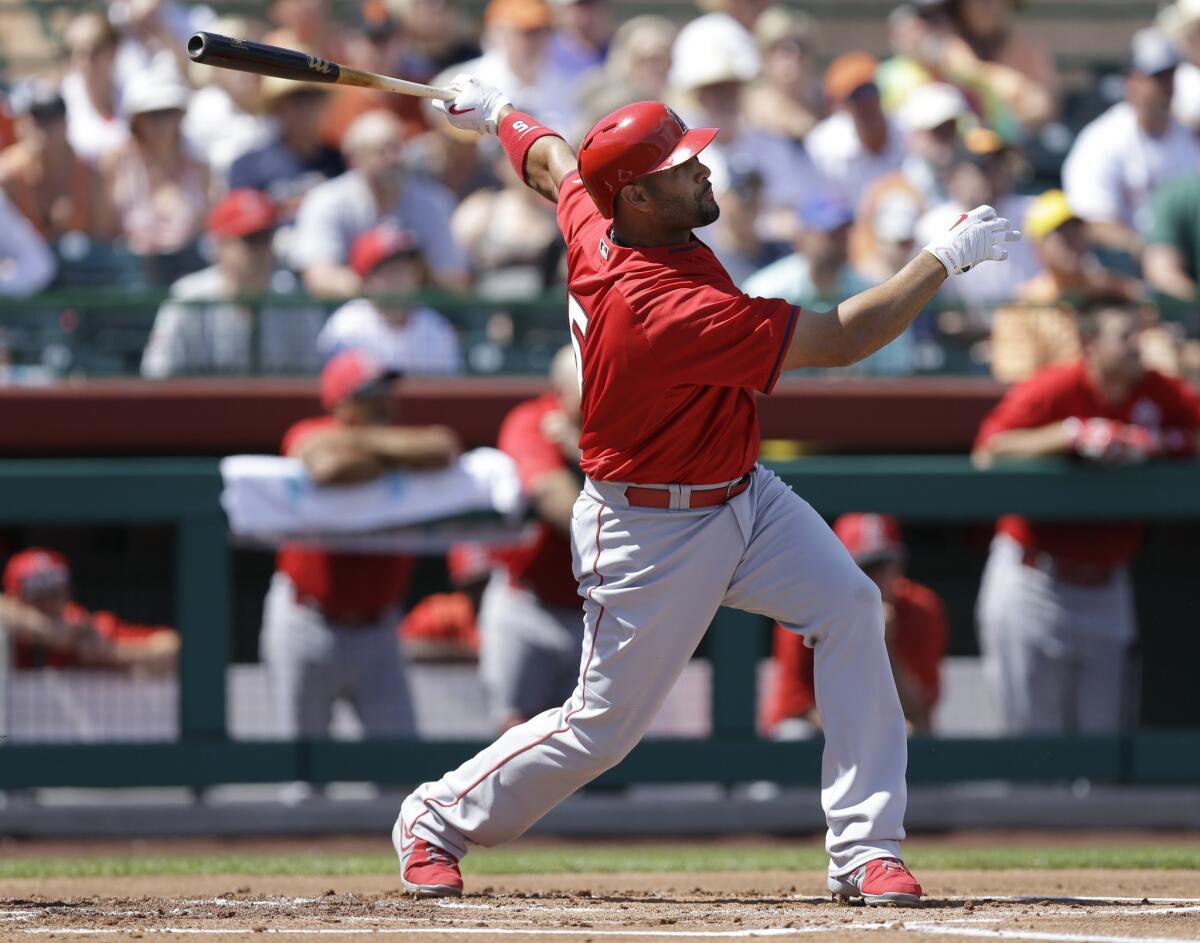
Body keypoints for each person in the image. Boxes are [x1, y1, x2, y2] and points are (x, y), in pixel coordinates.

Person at [391, 70, 1018, 901]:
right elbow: (839, 339)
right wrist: (942, 257)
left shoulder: (604, 212)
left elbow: (552, 163)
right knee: (602, 729)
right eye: (682, 167)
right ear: (641, 199)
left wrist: (500, 111)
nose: (703, 171)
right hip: (649, 525)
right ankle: (434, 817)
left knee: (854, 607)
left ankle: (867, 846)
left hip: (742, 493)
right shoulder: (659, 308)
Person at [973, 301, 1200, 735]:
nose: (1138, 347)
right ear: (1090, 345)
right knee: (1031, 745)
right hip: (1034, 578)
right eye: (1126, 337)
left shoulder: (1155, 390)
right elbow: (988, 450)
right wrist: (1068, 434)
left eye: (1140, 336)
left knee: (1105, 747)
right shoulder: (1056, 387)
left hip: (1107, 580)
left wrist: (1158, 443)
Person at [261, 350, 460, 743]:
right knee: (303, 770)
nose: (385, 400)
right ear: (342, 403)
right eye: (371, 392)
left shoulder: (406, 436)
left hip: (380, 628)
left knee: (399, 768)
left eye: (387, 389)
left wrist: (367, 450)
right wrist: (397, 458)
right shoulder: (308, 431)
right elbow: (327, 468)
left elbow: (443, 446)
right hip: (307, 623)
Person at [763, 513, 947, 738]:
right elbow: (796, 710)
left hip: (888, 731)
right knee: (794, 734)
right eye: (864, 567)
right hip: (825, 732)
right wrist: (861, 734)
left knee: (917, 736)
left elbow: (919, 710)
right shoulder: (805, 611)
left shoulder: (920, 609)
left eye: (883, 566)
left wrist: (884, 649)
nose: (874, 579)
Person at [479, 346, 585, 730]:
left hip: (600, 612)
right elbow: (552, 499)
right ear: (559, 387)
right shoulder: (533, 419)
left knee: (598, 750)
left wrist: (582, 451)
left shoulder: (623, 426)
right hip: (529, 604)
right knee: (513, 739)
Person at [141, 189, 325, 377]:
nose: (259, 250)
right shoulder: (188, 298)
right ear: (219, 246)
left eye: (265, 238)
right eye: (249, 240)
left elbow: (311, 379)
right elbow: (158, 375)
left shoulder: (293, 297)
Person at [289, 109, 467, 297]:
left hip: (417, 317)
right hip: (347, 316)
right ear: (354, 158)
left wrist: (400, 288)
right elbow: (319, 278)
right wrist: (385, 292)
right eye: (381, 151)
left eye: (398, 148)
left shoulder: (433, 201)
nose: (394, 159)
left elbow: (453, 279)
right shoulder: (326, 200)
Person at [1061, 28, 1200, 259]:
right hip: (1130, 267)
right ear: (1130, 81)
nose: (1166, 86)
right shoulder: (1102, 139)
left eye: (1170, 75)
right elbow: (1092, 222)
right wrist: (1151, 251)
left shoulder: (1190, 134)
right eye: (1156, 77)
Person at [990, 190, 1142, 383]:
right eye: (1060, 234)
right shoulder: (1021, 307)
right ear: (1038, 247)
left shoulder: (1113, 289)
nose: (1071, 240)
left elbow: (1150, 338)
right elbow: (1015, 378)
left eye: (1076, 231)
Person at [103, 70, 209, 285]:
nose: (161, 122)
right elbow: (104, 228)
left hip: (189, 273)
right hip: (132, 276)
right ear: (136, 120)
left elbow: (206, 226)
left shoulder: (200, 165)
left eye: (168, 112)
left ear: (180, 116)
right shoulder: (115, 163)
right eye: (151, 114)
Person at [1, 548, 178, 673]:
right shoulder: (8, 624)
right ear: (13, 595)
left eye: (55, 592)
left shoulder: (82, 625)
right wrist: (50, 631)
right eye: (37, 594)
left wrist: (111, 653)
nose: (48, 601)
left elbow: (173, 646)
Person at [317, 224, 463, 374]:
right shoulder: (346, 326)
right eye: (389, 271)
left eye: (405, 269)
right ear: (366, 279)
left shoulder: (435, 327)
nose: (399, 279)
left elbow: (448, 390)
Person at [229, 76, 345, 224]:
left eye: (314, 98)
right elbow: (244, 226)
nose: (308, 108)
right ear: (277, 108)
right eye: (297, 100)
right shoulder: (248, 166)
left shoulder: (339, 159)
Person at [805, 52, 907, 212]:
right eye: (855, 96)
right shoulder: (823, 145)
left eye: (869, 90)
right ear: (841, 105)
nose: (865, 102)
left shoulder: (906, 130)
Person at [741, 6, 820, 143]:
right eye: (784, 47)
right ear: (764, 55)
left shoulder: (824, 103)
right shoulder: (747, 110)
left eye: (802, 46)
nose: (795, 54)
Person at [60, 12, 129, 165]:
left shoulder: (135, 90)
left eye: (95, 50)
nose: (87, 61)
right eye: (79, 52)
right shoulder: (62, 101)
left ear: (113, 51)